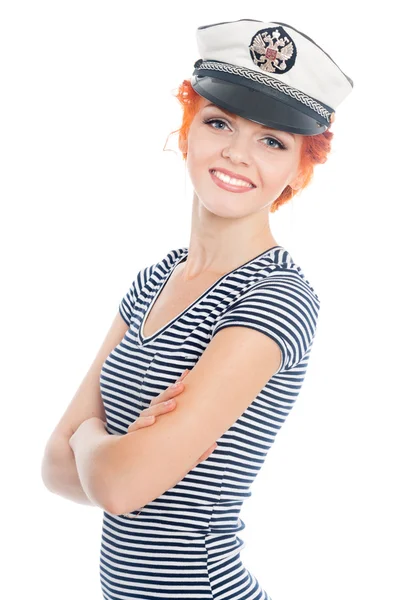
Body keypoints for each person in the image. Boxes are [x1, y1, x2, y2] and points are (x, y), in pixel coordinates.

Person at [44, 18, 353, 600]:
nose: (237, 154)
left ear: (298, 169)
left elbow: (119, 485)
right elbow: (54, 470)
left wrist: (89, 436)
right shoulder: (155, 280)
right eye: (219, 123)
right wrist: (104, 452)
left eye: (272, 142)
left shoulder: (276, 297)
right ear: (186, 131)